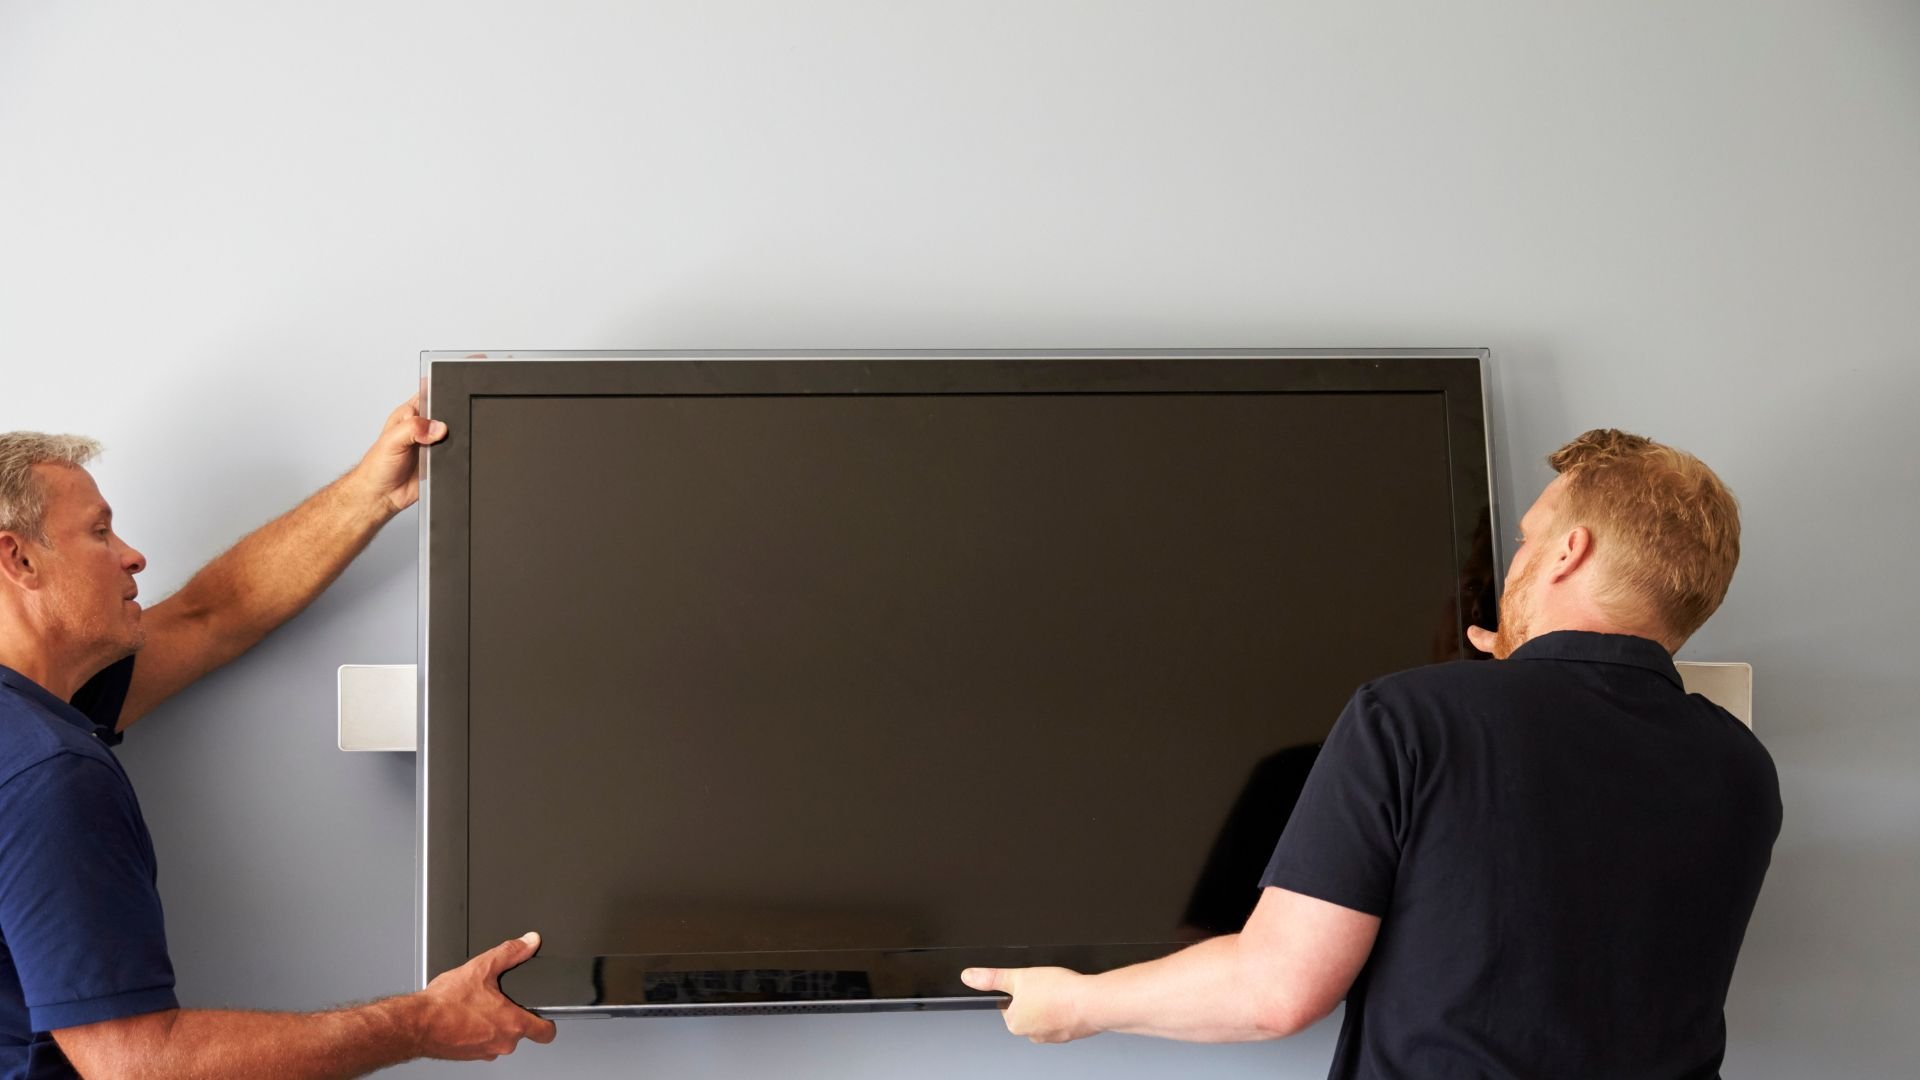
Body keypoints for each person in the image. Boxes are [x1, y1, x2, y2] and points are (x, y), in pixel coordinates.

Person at [962, 428, 1781, 1079]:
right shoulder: (1743, 766)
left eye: (1529, 541)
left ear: (1569, 553)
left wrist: (1077, 1004)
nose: (1515, 564)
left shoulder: (1414, 714)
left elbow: (1273, 991)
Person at [0, 400, 555, 1080]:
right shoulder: (46, 771)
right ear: (19, 557)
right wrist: (424, 1021)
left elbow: (213, 616)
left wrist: (373, 490)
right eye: (100, 532)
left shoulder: (33, 723)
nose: (132, 555)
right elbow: (136, 1064)